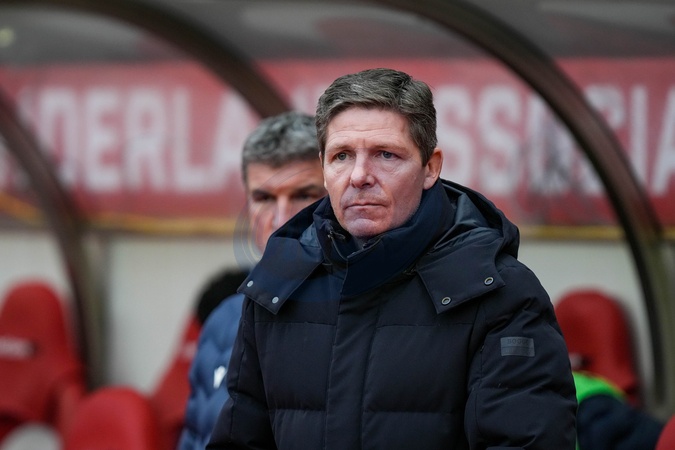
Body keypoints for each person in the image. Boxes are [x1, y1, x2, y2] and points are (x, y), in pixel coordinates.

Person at [207, 68, 577, 449]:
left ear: (430, 167)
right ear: (324, 168)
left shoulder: (501, 294)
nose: (359, 176)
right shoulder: (277, 283)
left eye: (385, 154)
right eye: (342, 156)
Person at [177, 111, 326, 450]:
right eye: (264, 198)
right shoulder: (223, 321)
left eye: (304, 195)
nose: (282, 218)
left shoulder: (369, 316)